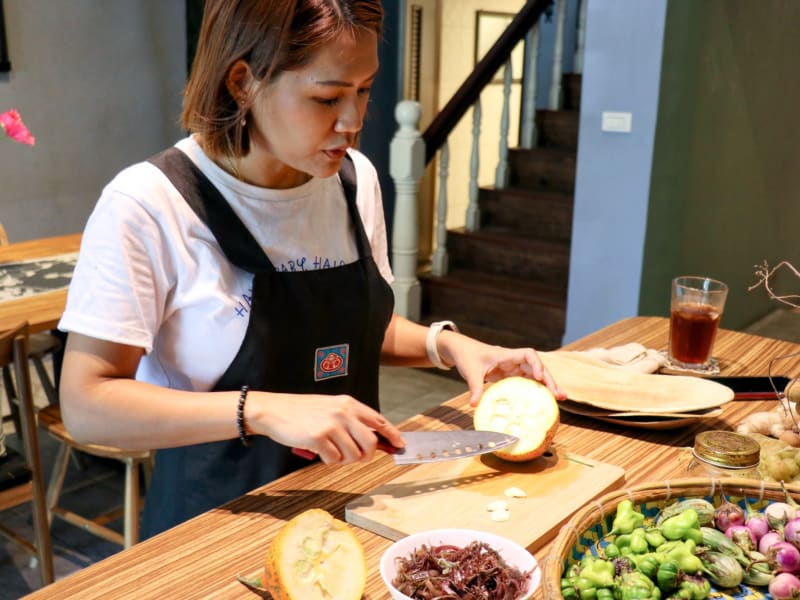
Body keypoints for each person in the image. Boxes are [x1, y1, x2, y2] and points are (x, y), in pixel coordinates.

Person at [58, 0, 564, 539]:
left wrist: (451, 347)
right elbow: (89, 405)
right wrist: (263, 411)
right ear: (242, 83)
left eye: (364, 90)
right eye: (327, 97)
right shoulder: (150, 204)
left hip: (356, 506)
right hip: (216, 526)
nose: (353, 122)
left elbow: (351, 329)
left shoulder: (354, 182)